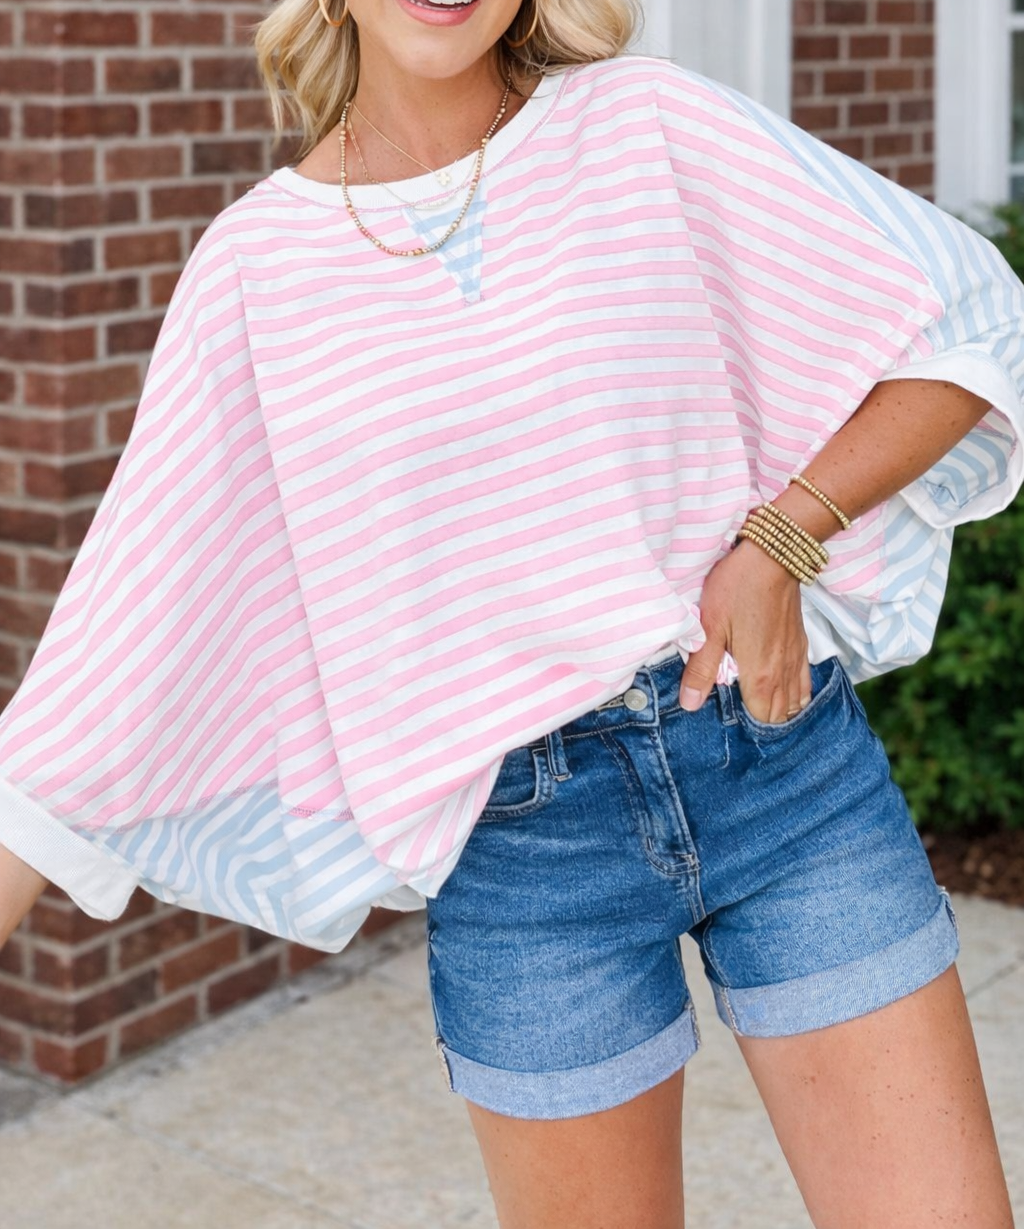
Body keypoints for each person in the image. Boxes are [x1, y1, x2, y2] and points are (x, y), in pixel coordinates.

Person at [0, 0, 1020, 1225]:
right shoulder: (253, 269)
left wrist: (779, 538)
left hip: (781, 773)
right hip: (527, 860)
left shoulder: (645, 124)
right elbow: (110, 656)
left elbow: (967, 324)